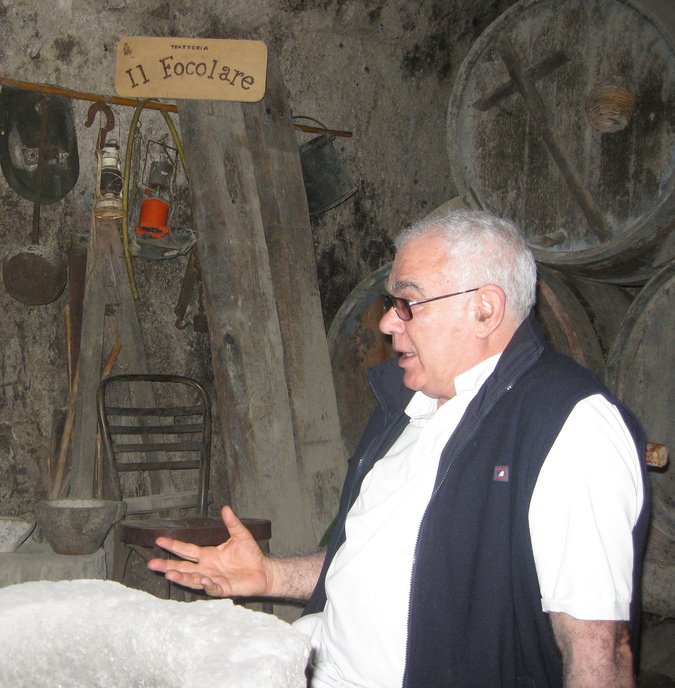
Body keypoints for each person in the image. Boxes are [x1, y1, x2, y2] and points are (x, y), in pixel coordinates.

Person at [148, 209, 648, 688]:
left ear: (485, 309)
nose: (388, 323)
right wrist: (269, 574)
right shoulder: (412, 405)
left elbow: (600, 654)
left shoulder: (567, 424)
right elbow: (378, 558)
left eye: (408, 302)